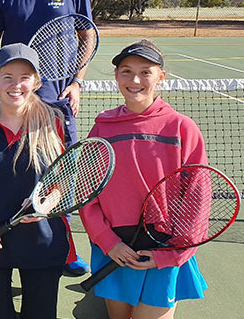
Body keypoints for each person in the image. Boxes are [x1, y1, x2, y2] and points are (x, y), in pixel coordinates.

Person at [0, 0, 93, 275]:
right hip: (17, 104)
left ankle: (64, 249)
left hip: (58, 102)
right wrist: (1, 79)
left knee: (61, 176)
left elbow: (86, 35)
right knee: (22, 175)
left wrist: (76, 80)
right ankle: (18, 245)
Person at [80, 40, 208, 319]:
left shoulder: (182, 127)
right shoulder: (103, 126)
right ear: (116, 76)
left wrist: (170, 255)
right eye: (126, 71)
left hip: (163, 253)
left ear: (161, 77)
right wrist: (108, 241)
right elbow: (87, 192)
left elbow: (197, 198)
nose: (134, 79)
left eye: (145, 72)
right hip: (115, 251)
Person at [0, 44, 76, 319]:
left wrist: (46, 203)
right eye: (7, 76)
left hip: (43, 241)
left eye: (24, 76)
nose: (15, 84)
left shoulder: (54, 120)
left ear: (36, 82)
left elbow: (64, 178)